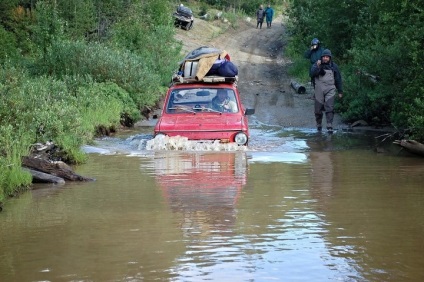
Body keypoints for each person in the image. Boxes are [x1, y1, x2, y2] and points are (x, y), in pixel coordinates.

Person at [310, 49, 343, 133]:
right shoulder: (316, 64)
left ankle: (329, 125)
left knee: (330, 107)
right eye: (324, 57)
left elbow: (338, 79)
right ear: (322, 57)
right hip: (319, 89)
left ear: (330, 58)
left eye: (327, 57)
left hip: (330, 89)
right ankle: (319, 125)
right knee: (318, 109)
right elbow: (311, 74)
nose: (325, 58)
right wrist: (318, 67)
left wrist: (340, 91)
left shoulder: (334, 66)